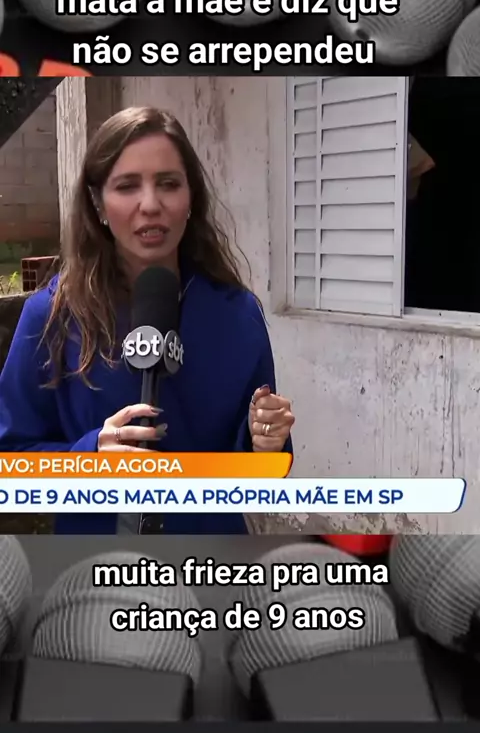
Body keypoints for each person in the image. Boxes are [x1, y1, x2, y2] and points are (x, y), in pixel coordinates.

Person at [0, 107, 294, 535]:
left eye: (169, 184)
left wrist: (266, 445)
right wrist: (89, 458)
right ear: (97, 203)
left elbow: (261, 476)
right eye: (127, 186)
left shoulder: (237, 314)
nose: (151, 205)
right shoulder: (51, 316)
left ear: (191, 198)